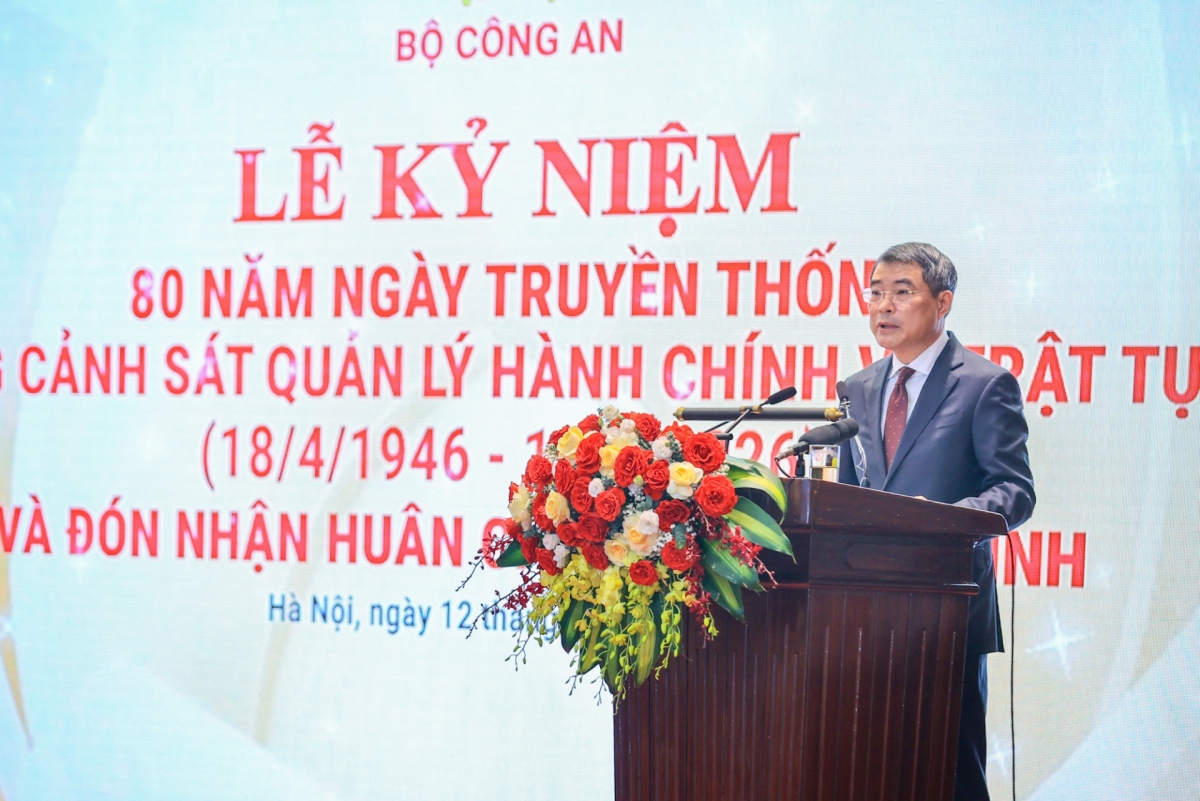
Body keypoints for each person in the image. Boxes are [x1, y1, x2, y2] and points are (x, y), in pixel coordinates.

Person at [837, 242, 1035, 801]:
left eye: (902, 292)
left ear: (942, 302)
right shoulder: (855, 388)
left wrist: (938, 520)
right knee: (870, 769)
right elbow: (853, 496)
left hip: (947, 609)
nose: (884, 307)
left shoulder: (983, 384)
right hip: (863, 616)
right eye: (875, 292)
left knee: (949, 775)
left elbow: (1014, 490)